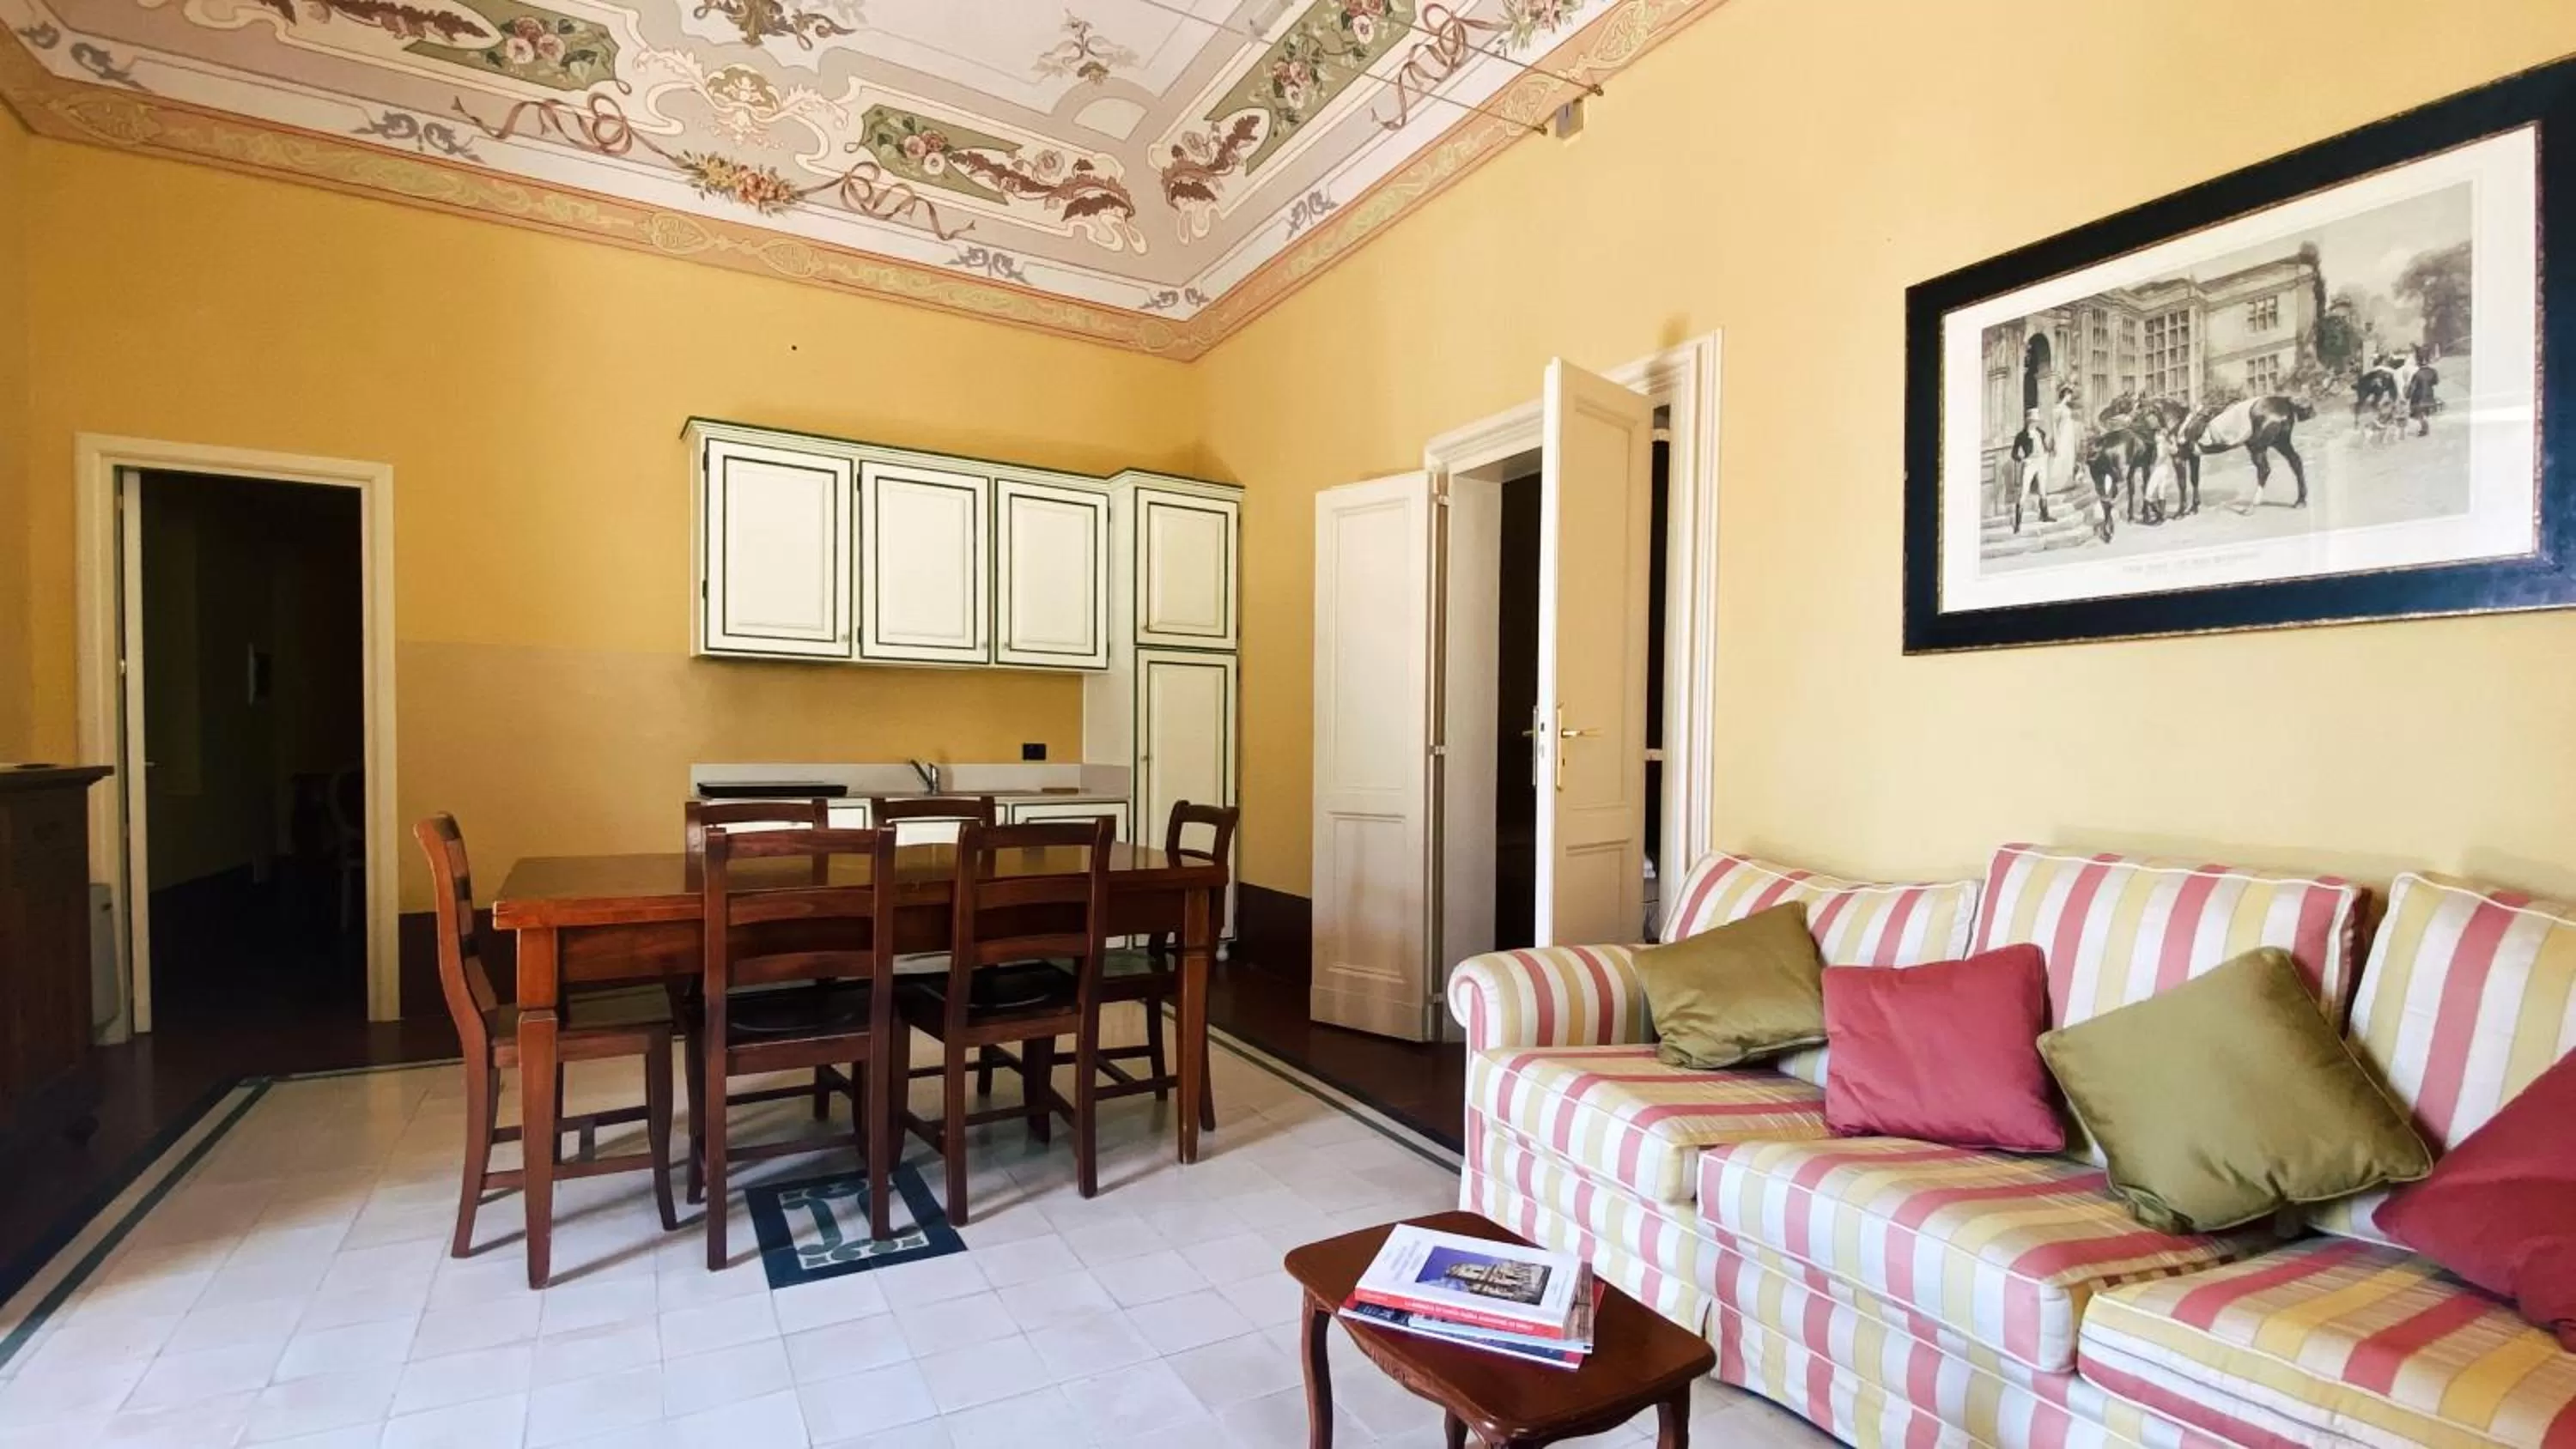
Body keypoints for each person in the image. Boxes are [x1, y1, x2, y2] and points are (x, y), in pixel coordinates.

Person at [2010, 407, 2052, 532]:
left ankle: (2045, 515)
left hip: (2041, 462)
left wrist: (2047, 452)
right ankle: (2018, 524)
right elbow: (2014, 454)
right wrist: (2023, 460)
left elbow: (2044, 446)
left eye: (2036, 421)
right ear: (2028, 421)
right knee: (2023, 492)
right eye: (2033, 421)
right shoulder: (2021, 436)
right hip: (2030, 464)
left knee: (2043, 490)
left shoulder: (2041, 433)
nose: (2035, 423)